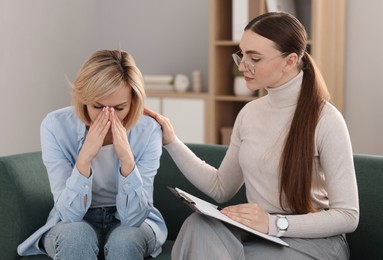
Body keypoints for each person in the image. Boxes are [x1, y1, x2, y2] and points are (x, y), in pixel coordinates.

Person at [145, 12, 359, 259]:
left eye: (254, 58)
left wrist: (274, 224)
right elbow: (220, 187)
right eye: (242, 54)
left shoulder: (327, 120)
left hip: (310, 240)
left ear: (289, 61)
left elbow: (348, 216)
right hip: (257, 233)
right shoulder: (249, 114)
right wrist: (171, 141)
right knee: (199, 225)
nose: (242, 65)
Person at [17, 50, 167, 260]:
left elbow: (133, 217)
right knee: (76, 236)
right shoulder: (55, 126)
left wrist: (127, 159)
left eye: (120, 107)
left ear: (133, 101)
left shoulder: (148, 130)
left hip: (131, 223)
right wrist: (85, 157)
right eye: (98, 106)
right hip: (74, 222)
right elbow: (68, 215)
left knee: (126, 239)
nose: (108, 116)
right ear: (83, 99)